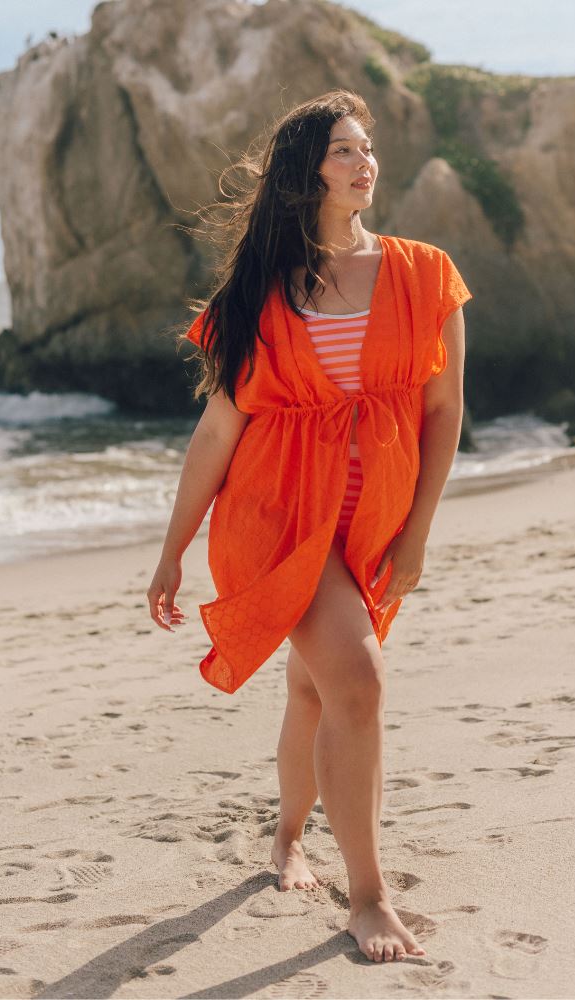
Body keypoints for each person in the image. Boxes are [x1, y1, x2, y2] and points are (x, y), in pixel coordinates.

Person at [147, 90, 470, 964]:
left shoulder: (425, 272)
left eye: (367, 149)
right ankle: (367, 897)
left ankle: (286, 840)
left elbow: (444, 411)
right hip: (276, 518)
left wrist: (419, 535)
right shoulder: (260, 294)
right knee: (357, 681)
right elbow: (218, 431)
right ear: (304, 173)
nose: (364, 162)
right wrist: (173, 549)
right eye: (342, 151)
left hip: (372, 519)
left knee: (313, 691)